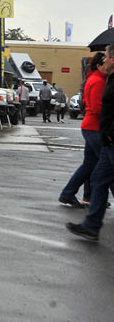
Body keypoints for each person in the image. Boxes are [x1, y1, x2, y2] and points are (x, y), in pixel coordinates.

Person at [67, 45, 114, 241]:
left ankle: (90, 223)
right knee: (98, 179)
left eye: (107, 57)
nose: (105, 60)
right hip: (106, 137)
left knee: (94, 172)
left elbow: (98, 107)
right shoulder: (103, 80)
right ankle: (91, 226)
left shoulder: (104, 80)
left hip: (108, 136)